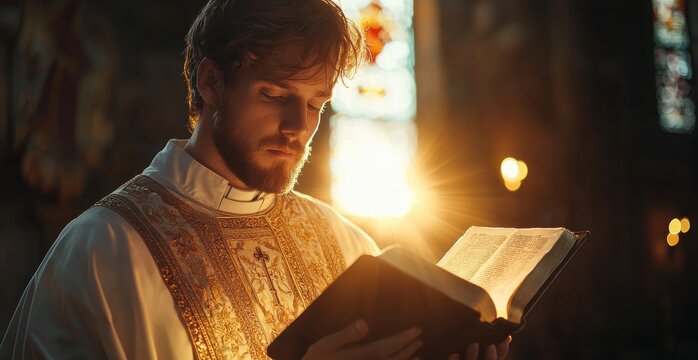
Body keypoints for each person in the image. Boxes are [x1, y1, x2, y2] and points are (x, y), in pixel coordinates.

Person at [1, 0, 510, 359]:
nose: (298, 127)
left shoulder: (347, 246)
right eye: (274, 94)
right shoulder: (102, 253)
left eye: (316, 104)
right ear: (211, 82)